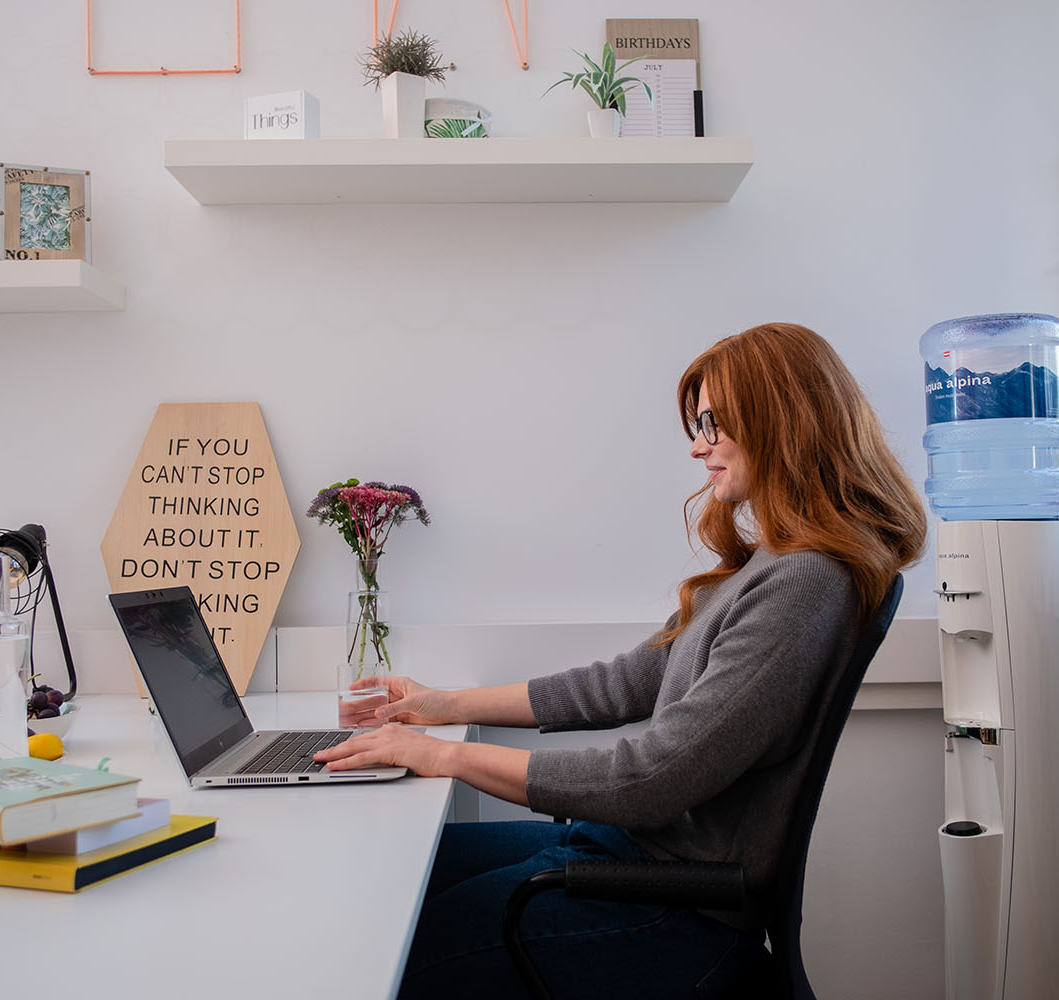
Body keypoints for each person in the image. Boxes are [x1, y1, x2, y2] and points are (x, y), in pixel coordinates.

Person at [314, 323, 928, 998]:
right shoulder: (772, 566)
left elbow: (653, 777)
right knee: (399, 873)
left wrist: (448, 756)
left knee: (397, 952)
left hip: (669, 908)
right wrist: (444, 705)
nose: (697, 446)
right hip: (626, 856)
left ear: (781, 421)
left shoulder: (805, 584)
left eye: (713, 424)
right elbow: (630, 682)